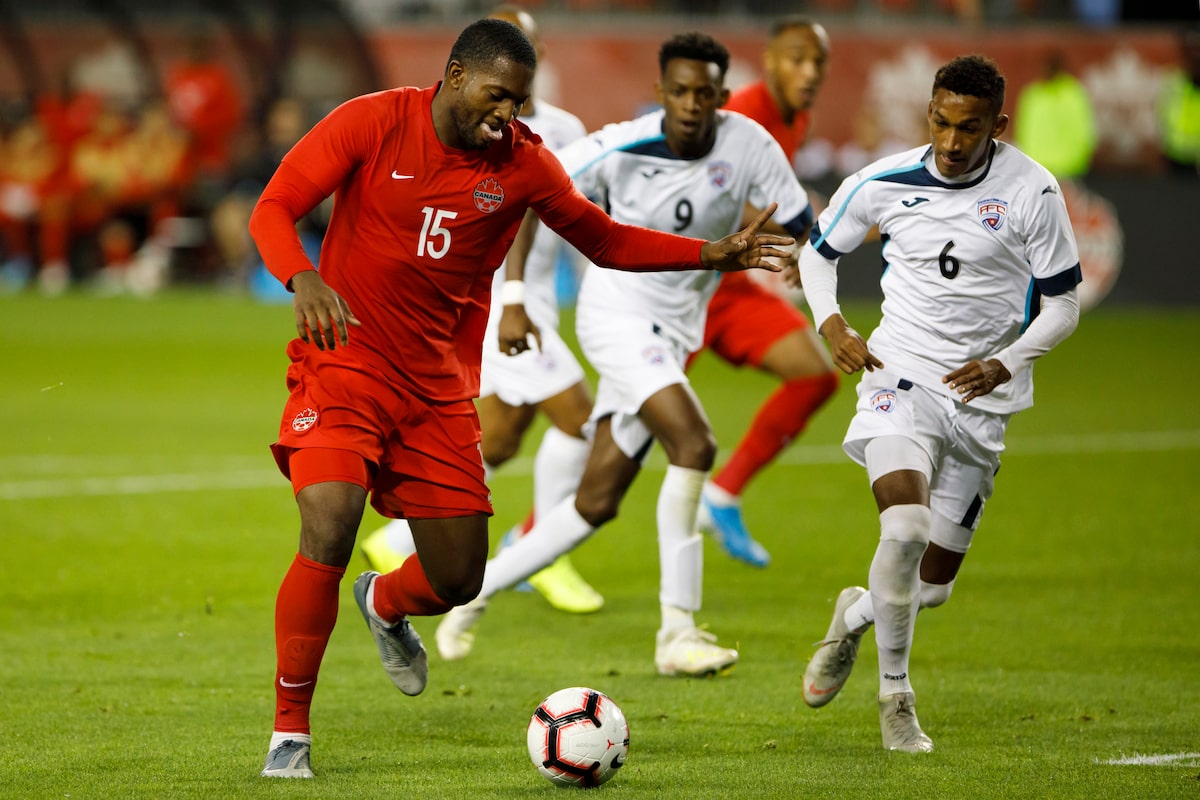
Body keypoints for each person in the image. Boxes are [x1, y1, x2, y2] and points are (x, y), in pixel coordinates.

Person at [248, 18, 793, 779]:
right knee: (330, 522)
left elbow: (603, 239)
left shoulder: (526, 165)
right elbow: (272, 207)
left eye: (520, 101)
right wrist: (302, 276)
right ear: (456, 75)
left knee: (458, 578)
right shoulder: (371, 120)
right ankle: (289, 732)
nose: (508, 115)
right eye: (498, 97)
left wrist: (710, 252)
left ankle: (387, 604)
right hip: (345, 366)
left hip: (436, 390)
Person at [434, 32, 813, 677]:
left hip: (678, 330)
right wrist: (518, 292)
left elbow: (799, 223)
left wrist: (800, 258)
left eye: (705, 93)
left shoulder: (751, 146)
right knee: (694, 444)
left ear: (722, 96)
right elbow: (531, 191)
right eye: (680, 91)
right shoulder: (616, 143)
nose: (692, 104)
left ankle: (476, 593)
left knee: (596, 501)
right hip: (616, 315)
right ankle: (677, 633)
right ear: (660, 93)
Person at [796, 55, 1081, 752]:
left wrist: (1005, 361)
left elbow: (1064, 302)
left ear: (999, 125)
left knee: (930, 587)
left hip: (984, 398)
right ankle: (897, 699)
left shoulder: (1032, 193)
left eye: (970, 128)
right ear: (928, 113)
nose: (952, 143)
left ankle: (856, 614)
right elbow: (817, 252)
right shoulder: (882, 181)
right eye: (941, 123)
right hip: (901, 378)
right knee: (904, 528)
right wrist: (831, 323)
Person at [357, 4, 603, 615]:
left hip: (540, 299)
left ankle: (394, 539)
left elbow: (583, 214)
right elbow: (512, 215)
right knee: (581, 420)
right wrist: (516, 297)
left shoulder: (567, 130)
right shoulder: (483, 139)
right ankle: (548, 555)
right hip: (502, 302)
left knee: (498, 438)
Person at [691, 16, 840, 568]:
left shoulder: (795, 116)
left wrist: (804, 240)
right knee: (625, 431)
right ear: (771, 60)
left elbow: (771, 204)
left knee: (814, 373)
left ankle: (721, 494)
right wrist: (805, 236)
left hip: (728, 291)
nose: (810, 71)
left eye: (819, 61)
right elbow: (717, 201)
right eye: (798, 58)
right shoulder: (743, 113)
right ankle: (533, 538)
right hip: (682, 288)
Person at [1012, 50, 1097, 180]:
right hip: (1039, 172)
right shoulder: (1033, 95)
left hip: (1069, 172)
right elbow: (1023, 131)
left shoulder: (1073, 94)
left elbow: (1084, 133)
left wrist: (1075, 163)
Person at [1156, 25, 1200, 175]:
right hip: (1175, 164)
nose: (1196, 57)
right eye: (1192, 50)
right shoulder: (1174, 84)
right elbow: (1163, 122)